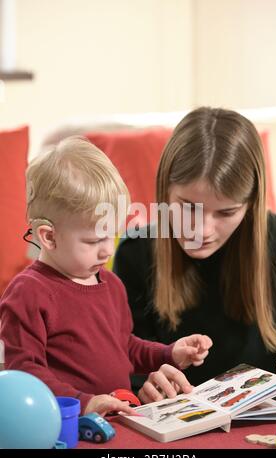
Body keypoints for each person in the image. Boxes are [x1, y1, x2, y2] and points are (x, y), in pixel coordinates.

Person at [0, 136, 213, 415]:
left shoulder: (110, 284)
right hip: (66, 423)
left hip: (118, 416)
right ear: (49, 237)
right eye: (93, 241)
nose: (107, 251)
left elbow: (124, 346)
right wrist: (85, 402)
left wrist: (168, 353)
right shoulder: (28, 293)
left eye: (112, 236)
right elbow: (24, 374)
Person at [113, 106, 276, 392]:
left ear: (251, 204)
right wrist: (141, 386)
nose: (202, 231)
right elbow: (122, 366)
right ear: (165, 190)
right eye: (188, 207)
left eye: (226, 213)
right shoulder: (135, 253)